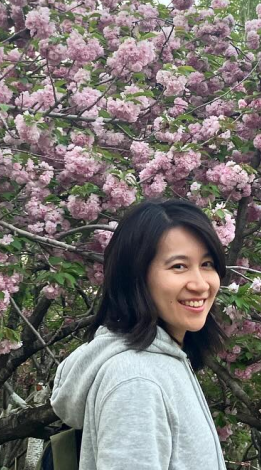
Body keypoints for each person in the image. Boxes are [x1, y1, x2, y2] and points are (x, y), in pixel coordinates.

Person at [50, 199, 228, 470]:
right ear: (136, 276)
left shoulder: (165, 361)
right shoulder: (137, 380)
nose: (201, 284)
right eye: (179, 266)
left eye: (207, 264)